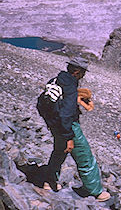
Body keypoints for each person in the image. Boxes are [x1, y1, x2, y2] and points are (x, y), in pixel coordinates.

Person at [43, 56, 110, 202]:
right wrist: (69, 137)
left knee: (59, 152)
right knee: (84, 156)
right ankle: (95, 191)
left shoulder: (56, 80)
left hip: (55, 125)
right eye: (83, 72)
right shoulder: (70, 86)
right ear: (77, 72)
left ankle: (49, 182)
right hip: (68, 127)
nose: (84, 75)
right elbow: (66, 113)